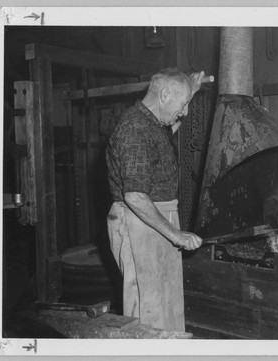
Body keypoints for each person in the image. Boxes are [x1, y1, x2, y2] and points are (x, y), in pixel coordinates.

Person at [105, 67, 204, 332]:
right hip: (139, 220)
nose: (184, 111)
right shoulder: (133, 130)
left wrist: (190, 93)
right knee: (147, 311)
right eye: (181, 104)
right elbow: (135, 196)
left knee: (168, 305)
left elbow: (163, 135)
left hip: (157, 219)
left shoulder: (151, 123)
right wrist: (175, 234)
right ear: (164, 94)